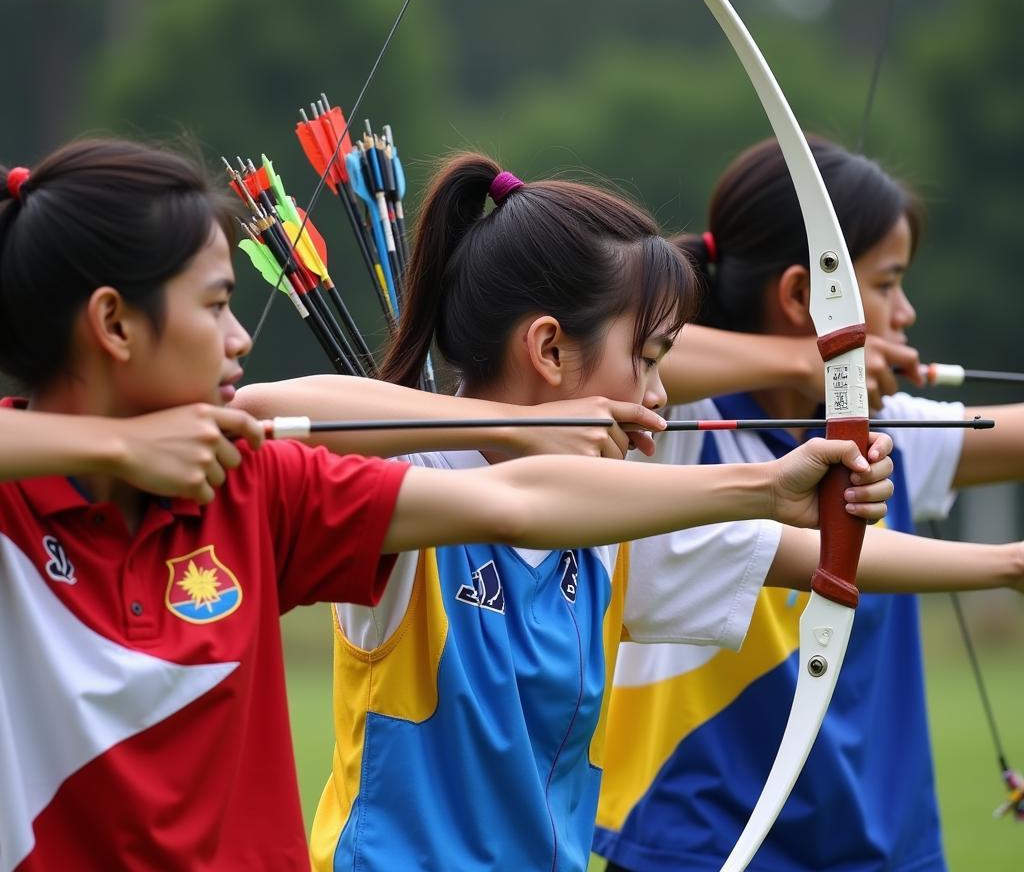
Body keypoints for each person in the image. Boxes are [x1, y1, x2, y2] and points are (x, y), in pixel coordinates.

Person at [0, 139, 892, 872]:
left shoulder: (254, 487)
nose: (240, 339)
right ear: (116, 325)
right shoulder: (28, 515)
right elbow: (272, 408)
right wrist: (113, 447)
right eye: (218, 304)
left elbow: (516, 503)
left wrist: (766, 489)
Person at [237, 152, 1018, 872]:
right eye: (647, 359)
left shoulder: (610, 532)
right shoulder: (414, 480)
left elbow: (789, 550)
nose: (657, 395)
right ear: (548, 350)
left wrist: (1003, 564)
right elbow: (260, 414)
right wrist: (501, 426)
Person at [594, 136, 1024, 872]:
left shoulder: (881, 436)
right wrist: (809, 357)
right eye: (887, 285)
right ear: (803, 295)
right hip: (702, 844)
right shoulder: (672, 427)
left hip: (889, 847)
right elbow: (617, 331)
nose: (906, 312)